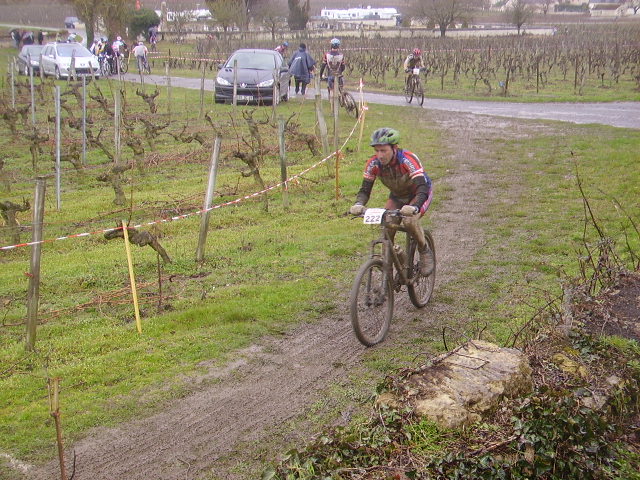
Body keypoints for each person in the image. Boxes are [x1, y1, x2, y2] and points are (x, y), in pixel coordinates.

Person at [349, 127, 434, 275]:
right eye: (377, 151)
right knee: (387, 223)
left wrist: (415, 207)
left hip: (419, 194)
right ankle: (387, 266)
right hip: (397, 196)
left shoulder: (408, 159)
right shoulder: (373, 164)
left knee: (409, 221)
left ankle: (424, 249)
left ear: (394, 148)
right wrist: (358, 204)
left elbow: (422, 187)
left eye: (383, 150)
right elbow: (364, 191)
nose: (379, 155)